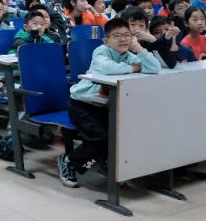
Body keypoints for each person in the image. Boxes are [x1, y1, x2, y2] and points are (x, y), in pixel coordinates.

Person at [56, 17, 161, 187]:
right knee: (100, 139)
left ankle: (100, 162)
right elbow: (108, 68)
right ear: (106, 40)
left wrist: (139, 48)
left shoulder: (129, 55)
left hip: (106, 106)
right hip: (82, 105)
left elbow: (154, 68)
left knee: (120, 136)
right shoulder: (101, 52)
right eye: (117, 36)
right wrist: (135, 67)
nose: (123, 39)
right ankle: (70, 161)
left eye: (127, 35)